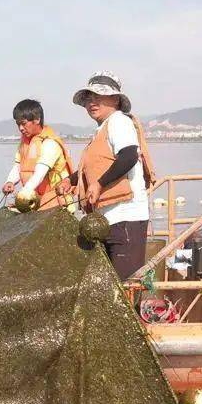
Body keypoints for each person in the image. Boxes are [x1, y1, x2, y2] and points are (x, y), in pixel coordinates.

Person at [59, 71, 155, 279]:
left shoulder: (119, 121)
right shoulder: (102, 129)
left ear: (116, 99)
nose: (92, 102)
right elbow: (98, 164)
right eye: (88, 98)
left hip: (126, 218)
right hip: (108, 219)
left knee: (124, 287)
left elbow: (129, 156)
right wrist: (71, 180)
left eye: (99, 96)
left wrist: (100, 184)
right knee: (110, 285)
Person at [1, 99, 74, 210]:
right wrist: (10, 181)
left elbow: (39, 174)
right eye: (18, 124)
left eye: (24, 123)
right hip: (35, 200)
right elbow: (18, 166)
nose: (20, 128)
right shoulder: (24, 143)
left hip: (55, 201)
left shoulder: (50, 143)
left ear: (37, 119)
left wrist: (22, 195)